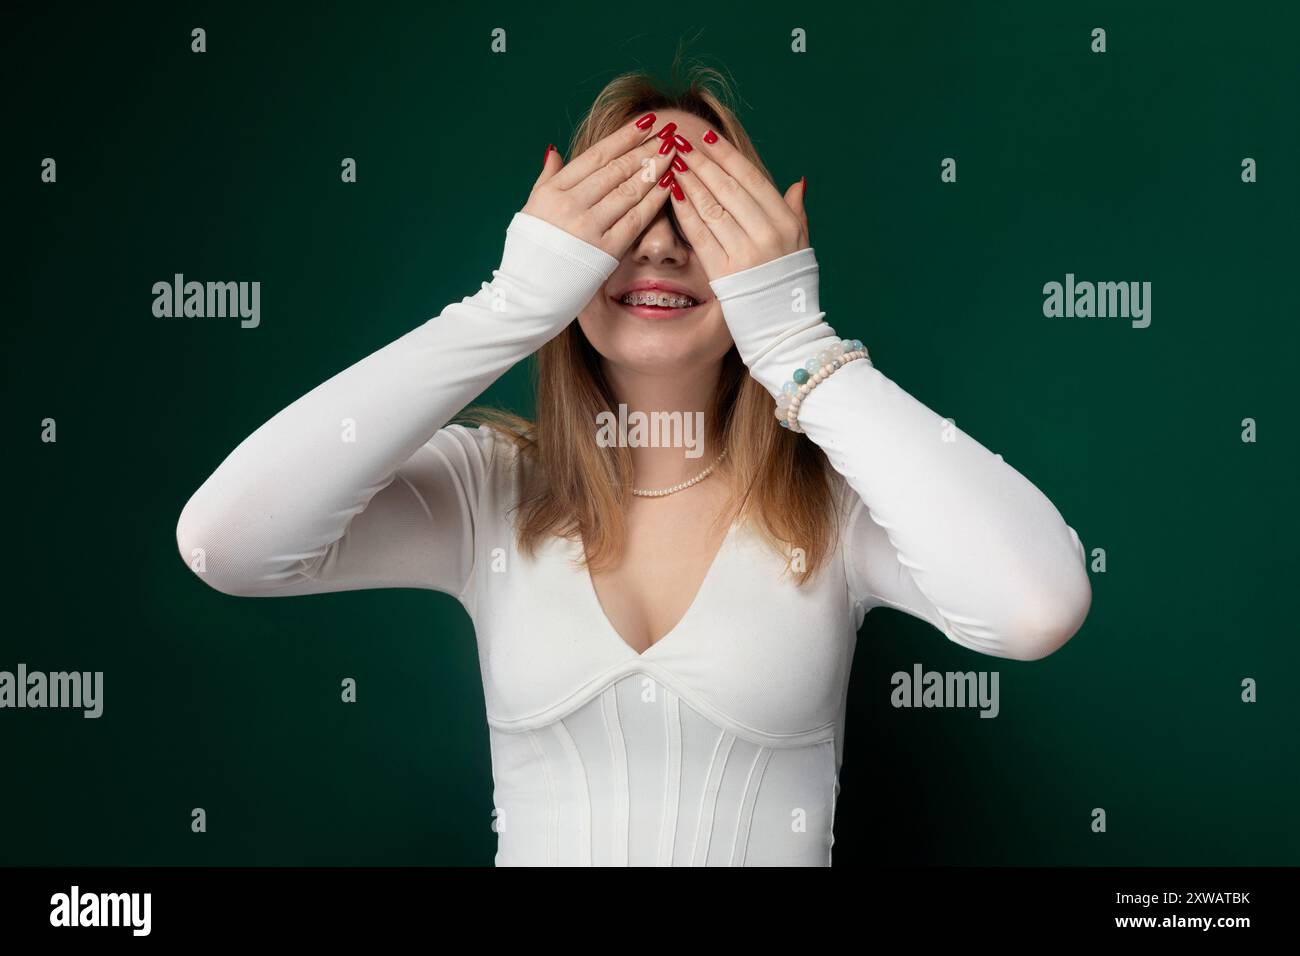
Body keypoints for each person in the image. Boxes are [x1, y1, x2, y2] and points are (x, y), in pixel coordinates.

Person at [175, 70, 1092, 866]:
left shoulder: (839, 501)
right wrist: (506, 308)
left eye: (700, 213)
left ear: (767, 254)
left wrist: (797, 344)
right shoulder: (487, 488)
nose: (659, 244)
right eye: (625, 212)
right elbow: (227, 544)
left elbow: (1036, 607)